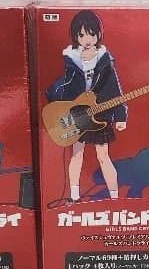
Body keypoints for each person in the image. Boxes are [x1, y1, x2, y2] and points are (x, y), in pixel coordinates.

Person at [46, 10, 126, 202]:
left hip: (99, 114)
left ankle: (114, 198)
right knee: (77, 153)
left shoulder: (104, 59)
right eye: (81, 35)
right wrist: (64, 110)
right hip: (78, 113)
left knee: (103, 156)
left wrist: (121, 116)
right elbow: (66, 88)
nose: (87, 39)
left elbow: (115, 90)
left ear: (98, 33)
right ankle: (74, 196)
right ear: (75, 36)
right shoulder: (72, 58)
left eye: (91, 34)